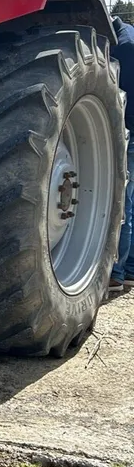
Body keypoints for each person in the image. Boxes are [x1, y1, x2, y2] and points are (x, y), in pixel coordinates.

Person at [107, 15, 134, 295]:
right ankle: (131, 271)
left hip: (131, 128)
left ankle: (116, 272)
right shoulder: (131, 34)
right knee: (133, 202)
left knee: (124, 205)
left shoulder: (122, 46)